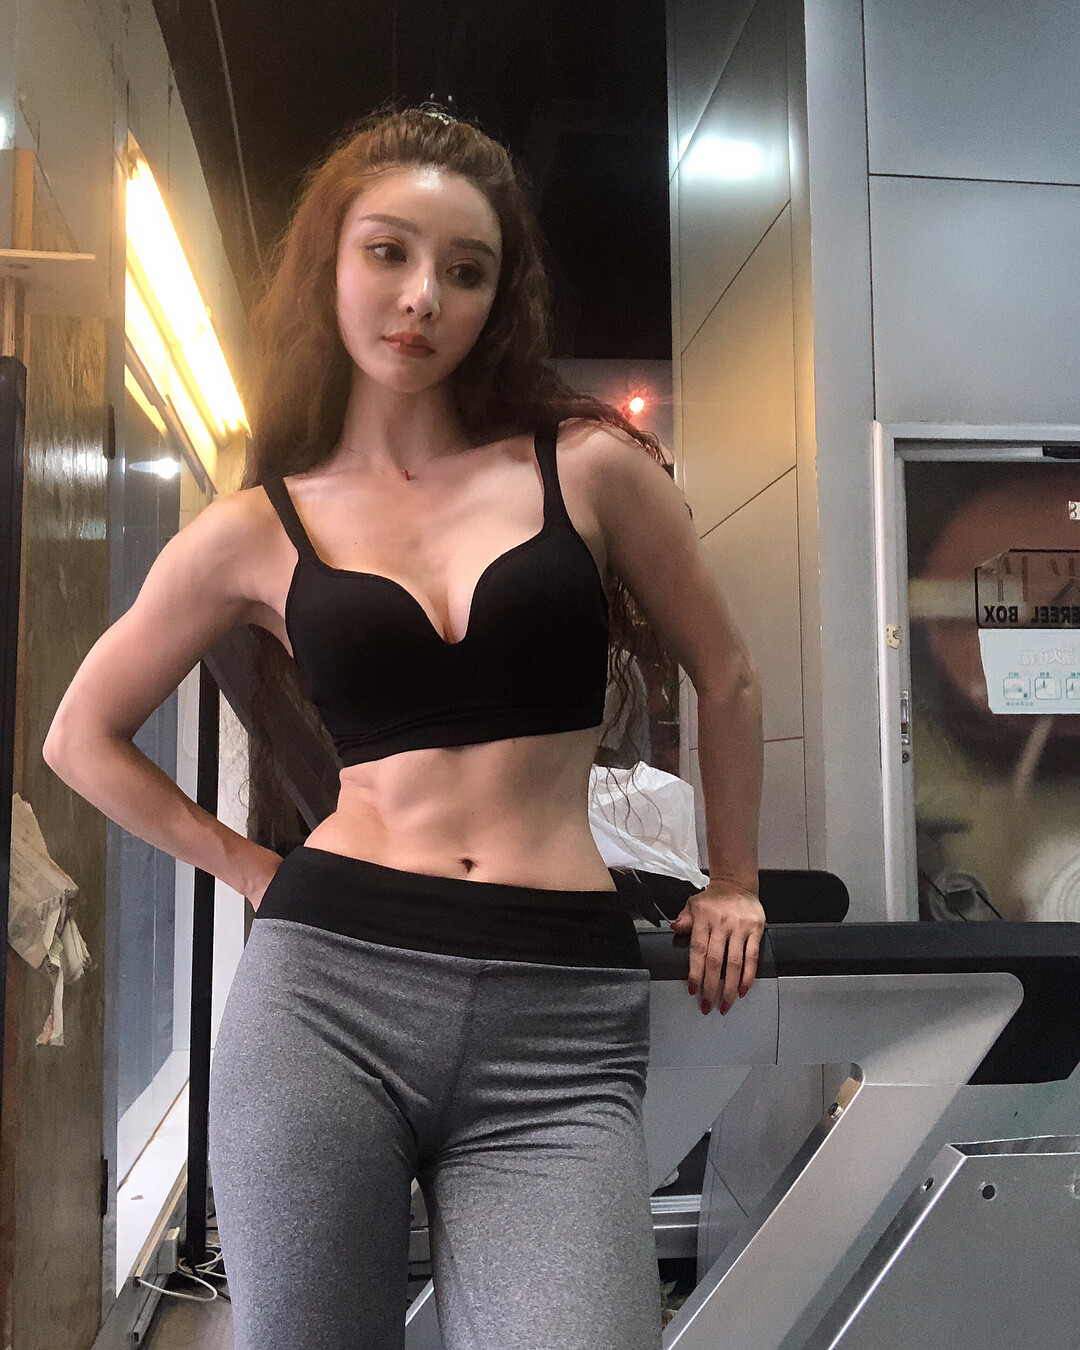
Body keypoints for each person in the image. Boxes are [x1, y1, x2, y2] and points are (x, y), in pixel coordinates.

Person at [42, 105, 765, 1350]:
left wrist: (736, 880)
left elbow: (730, 674)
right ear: (331, 265)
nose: (424, 295)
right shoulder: (254, 528)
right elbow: (79, 735)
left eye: (465, 269)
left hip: (556, 1025)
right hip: (326, 997)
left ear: (499, 298)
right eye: (389, 252)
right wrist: (250, 867)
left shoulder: (589, 468)